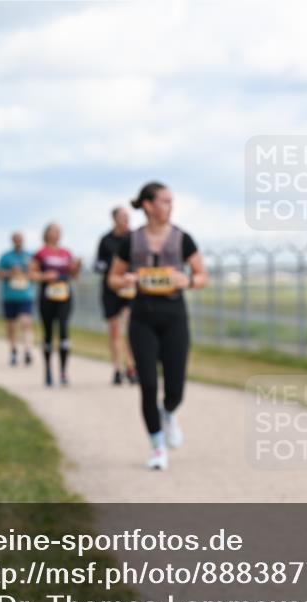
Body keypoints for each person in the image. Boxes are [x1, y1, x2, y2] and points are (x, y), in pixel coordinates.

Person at [108, 182, 208, 471]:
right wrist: (124, 281)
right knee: (148, 384)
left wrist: (187, 281)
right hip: (142, 318)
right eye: (165, 201)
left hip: (174, 316)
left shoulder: (182, 239)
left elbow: (202, 276)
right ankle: (157, 446)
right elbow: (113, 279)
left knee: (175, 387)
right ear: (149, 205)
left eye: (171, 202)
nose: (170, 206)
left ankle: (169, 412)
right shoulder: (131, 241)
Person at [31, 222, 82, 386]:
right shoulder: (40, 253)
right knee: (48, 332)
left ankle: (63, 372)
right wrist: (45, 276)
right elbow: (32, 274)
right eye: (53, 231)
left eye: (59, 231)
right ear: (47, 233)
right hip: (47, 296)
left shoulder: (66, 253)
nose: (56, 234)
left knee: (63, 329)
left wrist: (77, 267)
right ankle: (47, 371)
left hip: (64, 296)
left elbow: (74, 275)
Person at [96, 206, 137, 385]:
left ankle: (132, 366)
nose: (126, 220)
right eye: (122, 217)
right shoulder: (106, 240)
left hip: (130, 288)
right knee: (114, 330)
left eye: (127, 217)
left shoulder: (135, 237)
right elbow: (98, 265)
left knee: (131, 328)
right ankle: (117, 368)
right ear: (114, 219)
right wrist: (111, 266)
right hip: (111, 289)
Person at [0, 232, 36, 367]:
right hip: (10, 296)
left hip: (26, 295)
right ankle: (13, 350)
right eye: (16, 239)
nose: (19, 241)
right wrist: (10, 273)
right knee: (11, 326)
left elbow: (36, 272)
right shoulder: (6, 257)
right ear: (13, 241)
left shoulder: (30, 256)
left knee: (26, 322)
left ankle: (28, 350)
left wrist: (27, 273)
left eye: (21, 239)